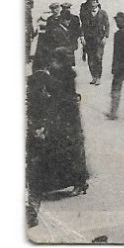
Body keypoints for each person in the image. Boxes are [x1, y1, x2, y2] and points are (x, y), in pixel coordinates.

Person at [27, 46, 89, 222]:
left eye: (55, 60)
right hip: (64, 116)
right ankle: (76, 181)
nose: (52, 63)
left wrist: (46, 79)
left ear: (59, 61)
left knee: (71, 149)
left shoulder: (65, 75)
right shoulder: (63, 72)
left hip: (66, 117)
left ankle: (79, 181)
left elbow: (59, 92)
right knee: (67, 149)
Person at [79, 0, 110, 85]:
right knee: (91, 59)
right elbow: (82, 26)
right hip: (89, 39)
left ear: (97, 3)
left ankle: (99, 77)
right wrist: (82, 36)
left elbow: (107, 25)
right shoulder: (86, 14)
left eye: (95, 2)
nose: (93, 4)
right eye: (91, 2)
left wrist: (105, 37)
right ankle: (94, 76)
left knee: (98, 57)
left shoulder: (103, 13)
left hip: (99, 39)